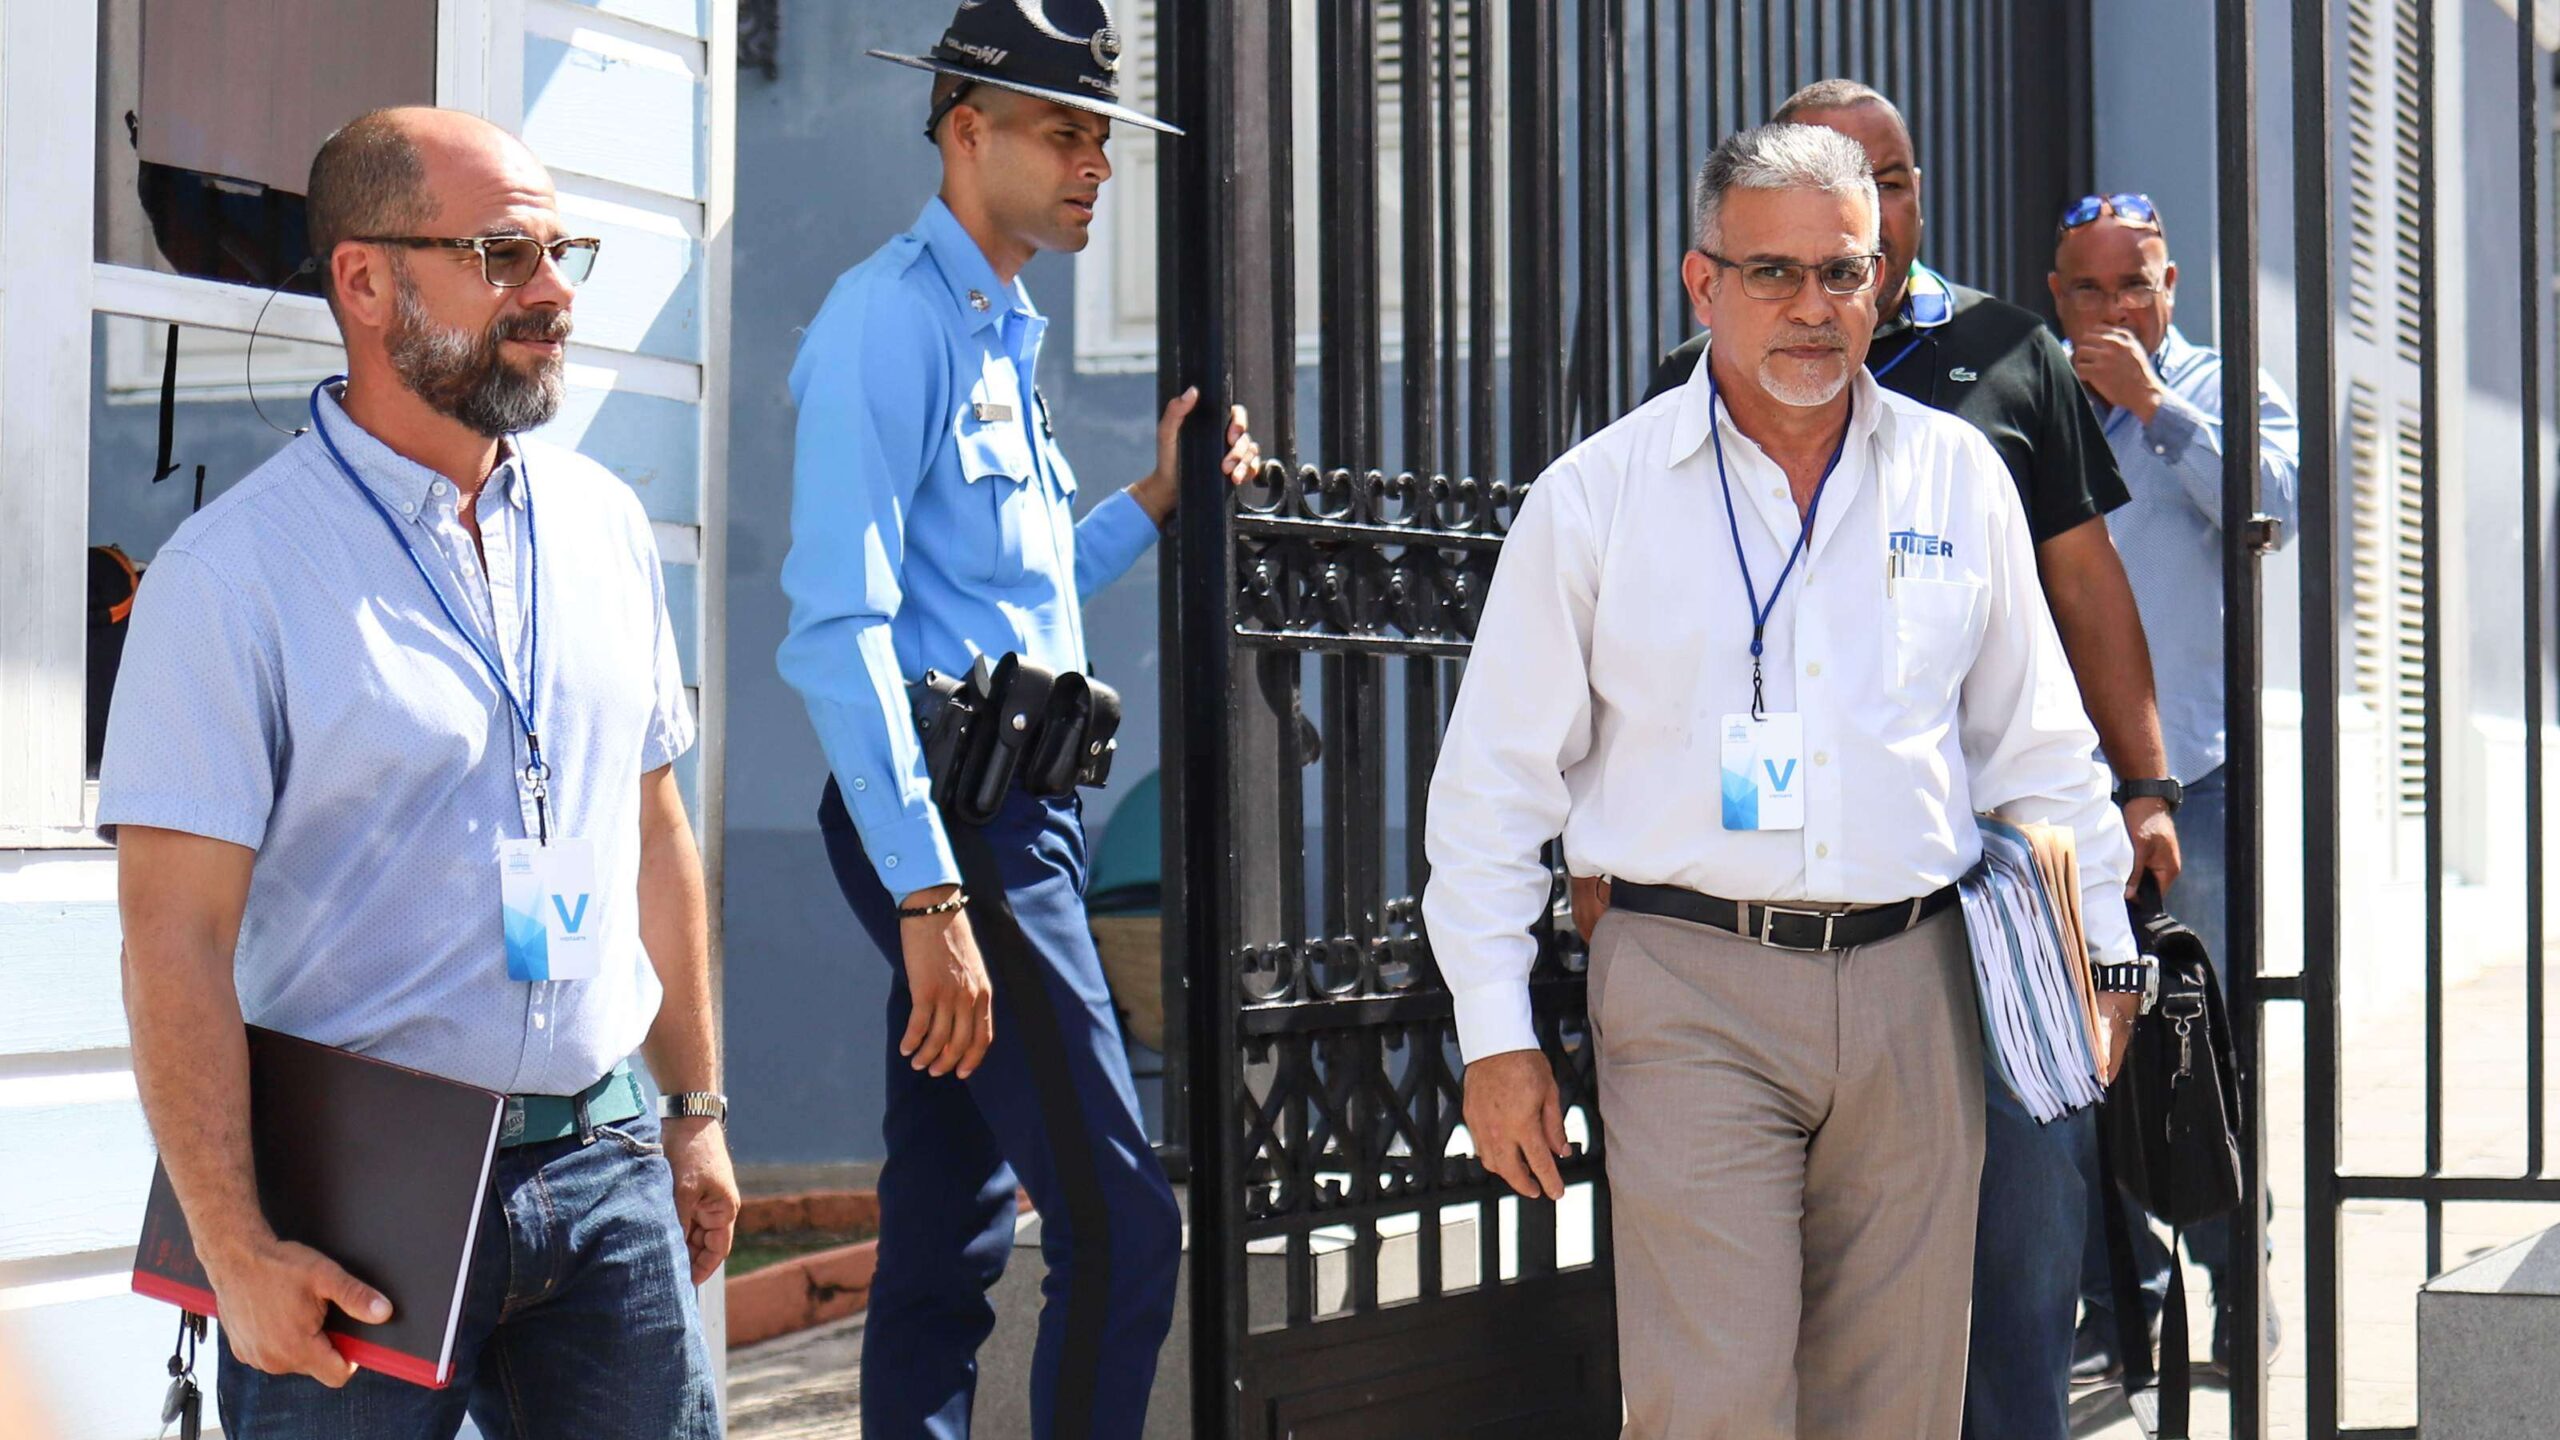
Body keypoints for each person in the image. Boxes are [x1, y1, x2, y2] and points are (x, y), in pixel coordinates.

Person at [1424, 123, 2139, 1438]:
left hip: (1921, 986)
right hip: (1690, 983)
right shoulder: (1596, 502)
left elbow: (2043, 753)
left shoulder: (1957, 477)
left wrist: (2116, 962)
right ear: (1704, 286)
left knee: (1899, 1403)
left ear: (1881, 283)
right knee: (1716, 1400)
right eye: (1774, 273)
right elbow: (1492, 789)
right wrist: (1495, 1033)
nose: (1813, 308)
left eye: (1844, 274)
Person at [104, 108, 729, 1437]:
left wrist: (696, 1110)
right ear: (367, 279)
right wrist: (233, 1247)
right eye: (505, 253)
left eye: (565, 252)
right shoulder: (232, 579)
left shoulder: (607, 527)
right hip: (353, 1209)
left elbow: (650, 829)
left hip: (608, 1168)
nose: (552, 291)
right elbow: (175, 938)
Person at [1597, 81, 2181, 1440]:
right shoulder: (1683, 405)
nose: (1825, 276)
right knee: (1784, 1304)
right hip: (1761, 923)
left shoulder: (2008, 354)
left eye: (1889, 183)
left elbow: (2083, 595)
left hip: (1995, 895)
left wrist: (2140, 793)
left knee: (2022, 1248)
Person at [777, 4, 1258, 1436]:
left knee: (947, 1229)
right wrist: (931, 892)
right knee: (1121, 1225)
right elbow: (838, 629)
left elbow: (1015, 591)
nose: (1094, 164)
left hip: (1005, 813)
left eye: (1103, 138)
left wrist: (1156, 503)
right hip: (957, 831)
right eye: (1064, 133)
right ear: (965, 129)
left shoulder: (999, 325)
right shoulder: (890, 319)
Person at [2049, 191, 2300, 1379]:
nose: (2116, 309)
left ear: (2173, 281)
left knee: (2190, 1038)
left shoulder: (2221, 387)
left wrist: (2156, 406)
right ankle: (2121, 1311)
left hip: (2187, 778)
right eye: (2090, 289)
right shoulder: (2035, 393)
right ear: (2058, 296)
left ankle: (2235, 1296)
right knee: (2076, 1048)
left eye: (2136, 282)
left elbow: (2276, 510)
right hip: (2056, 792)